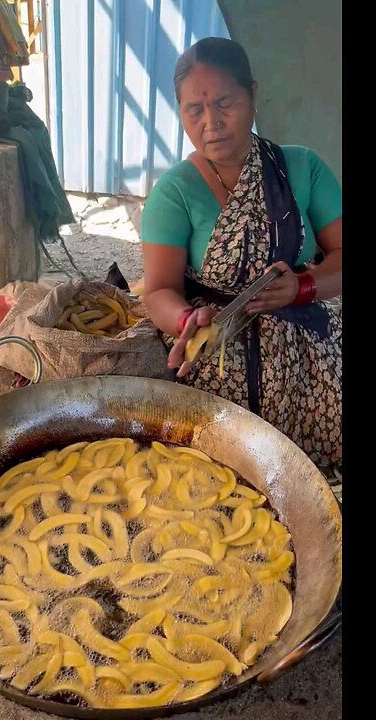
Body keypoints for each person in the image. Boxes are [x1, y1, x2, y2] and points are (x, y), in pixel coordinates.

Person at [140, 37, 342, 469]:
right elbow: (157, 290)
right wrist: (185, 320)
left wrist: (302, 287)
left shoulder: (302, 167)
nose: (210, 121)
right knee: (214, 473)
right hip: (217, 356)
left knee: (309, 477)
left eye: (224, 103)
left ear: (252, 94)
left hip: (307, 356)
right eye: (194, 110)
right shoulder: (174, 192)